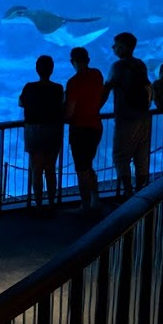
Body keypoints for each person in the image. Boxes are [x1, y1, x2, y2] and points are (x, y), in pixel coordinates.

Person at [100, 32, 153, 196]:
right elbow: (148, 88)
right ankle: (141, 193)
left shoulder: (118, 66)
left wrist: (95, 108)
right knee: (141, 157)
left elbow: (106, 88)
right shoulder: (140, 64)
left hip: (126, 118)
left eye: (116, 45)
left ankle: (128, 193)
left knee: (120, 156)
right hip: (144, 116)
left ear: (123, 47)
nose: (113, 48)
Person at [18, 55, 66, 210]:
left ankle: (38, 204)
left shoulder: (29, 87)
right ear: (52, 69)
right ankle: (52, 203)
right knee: (50, 169)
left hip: (34, 133)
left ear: (36, 69)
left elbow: (21, 102)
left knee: (37, 170)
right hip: (53, 132)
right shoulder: (58, 88)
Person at [64, 47, 105, 212]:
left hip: (80, 129)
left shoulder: (74, 82)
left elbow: (70, 110)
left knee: (81, 169)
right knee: (88, 165)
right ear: (88, 60)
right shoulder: (97, 75)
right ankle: (96, 199)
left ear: (72, 62)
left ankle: (85, 205)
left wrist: (63, 117)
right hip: (96, 127)